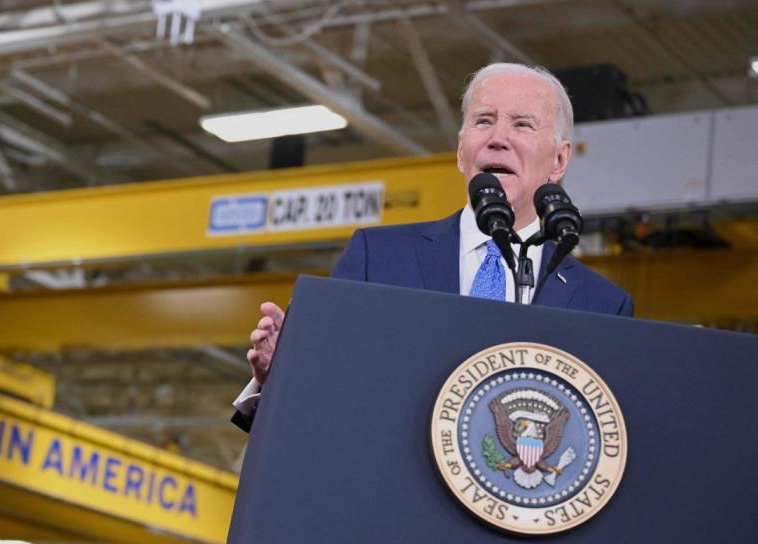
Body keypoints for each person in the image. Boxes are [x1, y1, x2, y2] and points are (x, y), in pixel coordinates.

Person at [232, 62, 633, 432]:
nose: (498, 138)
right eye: (484, 121)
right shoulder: (378, 257)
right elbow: (326, 401)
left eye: (522, 125)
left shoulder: (601, 305)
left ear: (559, 160)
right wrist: (285, 371)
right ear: (461, 151)